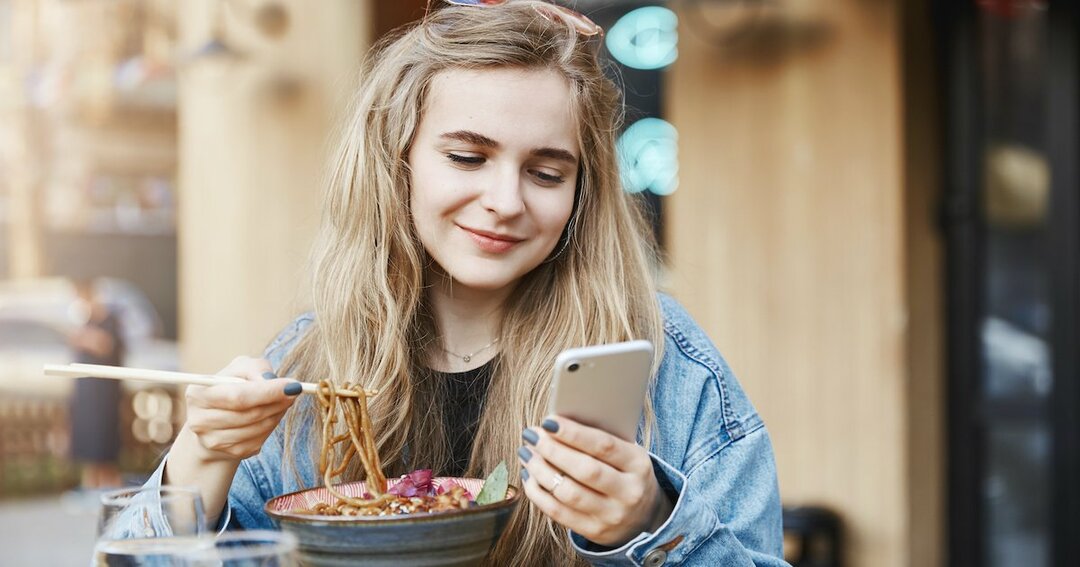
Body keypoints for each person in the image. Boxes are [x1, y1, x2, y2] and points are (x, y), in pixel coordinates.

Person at [150, 2, 787, 565]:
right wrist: (199, 460)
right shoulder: (311, 361)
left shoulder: (667, 363)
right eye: (467, 158)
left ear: (582, 192)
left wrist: (651, 523)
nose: (505, 201)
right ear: (395, 160)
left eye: (546, 173)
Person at [68, 278, 125, 491]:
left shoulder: (110, 320)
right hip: (86, 395)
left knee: (104, 444)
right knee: (88, 443)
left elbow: (105, 345)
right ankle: (90, 486)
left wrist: (85, 338)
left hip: (105, 395)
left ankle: (111, 487)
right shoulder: (86, 322)